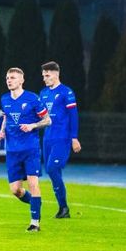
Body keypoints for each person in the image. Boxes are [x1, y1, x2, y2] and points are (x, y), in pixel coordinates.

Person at [0, 67, 51, 232]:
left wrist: (33, 125)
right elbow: (6, 116)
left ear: (21, 80)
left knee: (34, 183)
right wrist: (2, 129)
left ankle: (35, 222)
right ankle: (37, 203)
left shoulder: (32, 99)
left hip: (30, 149)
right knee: (15, 190)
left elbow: (47, 120)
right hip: (12, 151)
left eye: (12, 78)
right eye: (7, 78)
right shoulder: (4, 99)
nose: (9, 80)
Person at [39, 61, 81, 219]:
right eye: (43, 76)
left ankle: (64, 207)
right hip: (47, 138)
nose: (45, 78)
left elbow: (73, 116)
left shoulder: (66, 92)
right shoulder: (43, 93)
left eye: (47, 75)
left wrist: (74, 138)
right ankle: (63, 209)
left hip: (62, 138)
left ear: (56, 74)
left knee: (51, 169)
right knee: (52, 171)